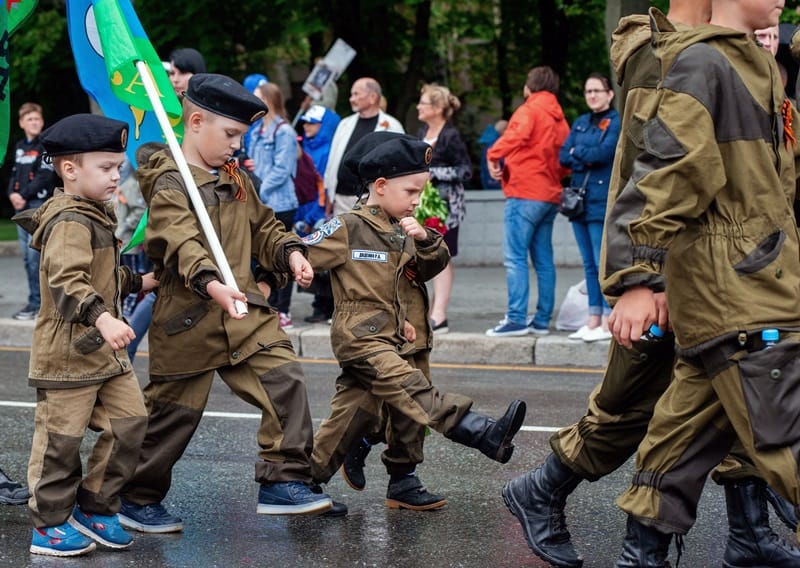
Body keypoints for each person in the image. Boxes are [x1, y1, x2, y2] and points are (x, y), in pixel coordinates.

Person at [500, 3, 800, 567]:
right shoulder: (669, 58)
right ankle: (543, 489)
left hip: (742, 273)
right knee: (628, 408)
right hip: (687, 273)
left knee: (708, 413)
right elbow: (654, 170)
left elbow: (768, 178)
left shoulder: (741, 60)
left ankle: (735, 538)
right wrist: (646, 276)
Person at [600, 2, 800, 564]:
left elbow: (780, 180)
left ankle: (641, 556)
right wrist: (637, 278)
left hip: (755, 280)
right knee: (786, 432)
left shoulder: (756, 64)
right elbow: (665, 172)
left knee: (684, 438)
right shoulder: (702, 63)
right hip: (741, 289)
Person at [119, 73, 335, 532]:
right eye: (232, 135)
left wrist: (291, 252)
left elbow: (266, 227)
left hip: (245, 318)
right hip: (190, 319)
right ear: (196, 121)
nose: (237, 146)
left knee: (286, 380)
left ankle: (283, 480)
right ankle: (135, 498)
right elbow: (180, 240)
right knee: (170, 420)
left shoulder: (235, 178)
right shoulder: (169, 181)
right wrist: (212, 283)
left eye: (242, 136)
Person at [304, 132, 527, 510]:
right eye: (411, 191)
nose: (416, 201)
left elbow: (427, 268)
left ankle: (339, 479)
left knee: (369, 412)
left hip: (408, 333)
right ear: (380, 186)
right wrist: (275, 270)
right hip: (365, 338)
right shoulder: (349, 226)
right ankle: (479, 431)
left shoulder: (402, 228)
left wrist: (425, 239)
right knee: (411, 394)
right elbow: (303, 252)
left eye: (419, 193)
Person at [14, 113, 155, 556]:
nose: (117, 176)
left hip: (102, 352)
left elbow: (103, 275)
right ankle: (49, 525)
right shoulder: (69, 220)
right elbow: (67, 280)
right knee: (60, 442)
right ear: (70, 170)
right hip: (68, 354)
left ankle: (95, 506)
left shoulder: (95, 213)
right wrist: (103, 317)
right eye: (106, 167)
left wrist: (140, 283)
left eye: (118, 166)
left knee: (130, 422)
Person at [485, 66, 570, 337]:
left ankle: (517, 319)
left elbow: (516, 136)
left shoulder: (528, 110)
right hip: (549, 195)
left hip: (524, 193)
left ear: (528, 87)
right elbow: (566, 161)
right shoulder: (560, 119)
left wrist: (493, 154)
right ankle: (542, 320)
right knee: (544, 261)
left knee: (515, 258)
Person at [558, 74, 620, 343]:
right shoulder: (582, 122)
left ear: (610, 94)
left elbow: (604, 154)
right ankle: (592, 319)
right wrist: (583, 152)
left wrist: (578, 152)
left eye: (597, 90)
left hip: (600, 199)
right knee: (588, 264)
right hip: (578, 202)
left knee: (601, 261)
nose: (592, 95)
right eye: (588, 91)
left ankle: (608, 318)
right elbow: (563, 155)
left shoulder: (616, 121)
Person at [416, 83, 472, 334]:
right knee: (421, 255)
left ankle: (440, 314)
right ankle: (425, 311)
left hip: (445, 209)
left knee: (441, 256)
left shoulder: (451, 136)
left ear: (438, 108)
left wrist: (434, 173)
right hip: (420, 205)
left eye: (423, 103)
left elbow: (465, 170)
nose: (418, 106)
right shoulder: (421, 132)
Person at [250, 82, 300, 329]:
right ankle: (269, 305)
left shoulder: (284, 132)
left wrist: (259, 188)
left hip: (279, 202)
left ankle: (284, 310)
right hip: (262, 202)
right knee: (263, 257)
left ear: (268, 101)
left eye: (257, 97)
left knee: (283, 255)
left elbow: (282, 169)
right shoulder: (258, 129)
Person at [324, 77, 404, 217]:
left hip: (372, 201)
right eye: (351, 94)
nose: (351, 99)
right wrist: (329, 193)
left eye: (356, 94)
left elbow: (399, 166)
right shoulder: (344, 124)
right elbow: (333, 160)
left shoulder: (392, 126)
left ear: (372, 97)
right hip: (340, 200)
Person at [6, 102, 57, 320]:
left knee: (36, 258)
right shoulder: (19, 146)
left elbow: (44, 176)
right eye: (29, 119)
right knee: (27, 259)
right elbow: (15, 174)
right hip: (22, 206)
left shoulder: (46, 146)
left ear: (42, 121)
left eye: (37, 118)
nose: (34, 122)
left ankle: (41, 305)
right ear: (21, 123)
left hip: (39, 205)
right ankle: (34, 302)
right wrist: (12, 195)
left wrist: (23, 195)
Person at [477, 120, 507, 190]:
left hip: (488, 180)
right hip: (496, 181)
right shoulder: (498, 144)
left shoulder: (489, 143)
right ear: (504, 130)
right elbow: (503, 162)